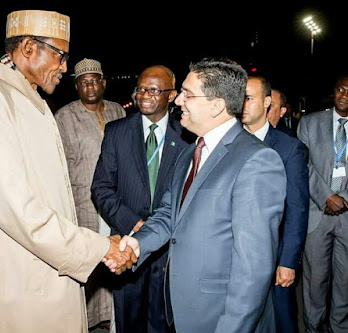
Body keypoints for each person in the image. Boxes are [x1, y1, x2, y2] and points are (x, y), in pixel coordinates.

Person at [0, 10, 135, 333]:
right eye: (60, 55)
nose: (64, 67)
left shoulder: (27, 98)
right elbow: (19, 210)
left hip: (45, 274)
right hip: (21, 289)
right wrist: (100, 247)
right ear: (29, 48)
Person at [113, 57, 287, 333]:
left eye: (188, 94)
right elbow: (169, 216)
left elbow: (253, 271)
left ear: (216, 105)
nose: (178, 100)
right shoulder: (190, 151)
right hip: (186, 310)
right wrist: (137, 245)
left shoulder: (257, 161)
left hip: (223, 318)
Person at [91, 65, 192, 333]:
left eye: (155, 90)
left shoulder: (187, 137)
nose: (145, 95)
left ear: (171, 96)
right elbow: (101, 187)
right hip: (127, 245)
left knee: (163, 323)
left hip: (169, 248)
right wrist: (133, 223)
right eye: (141, 89)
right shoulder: (117, 131)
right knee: (130, 321)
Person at [297, 72, 348, 333]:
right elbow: (302, 166)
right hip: (317, 215)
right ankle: (313, 327)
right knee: (314, 282)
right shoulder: (309, 123)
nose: (344, 96)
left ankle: (342, 329)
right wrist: (326, 197)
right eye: (341, 90)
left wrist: (345, 200)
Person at [55, 58, 126, 331]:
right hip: (83, 203)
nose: (90, 86)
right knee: (89, 261)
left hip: (116, 202)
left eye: (94, 80)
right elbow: (59, 166)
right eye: (83, 82)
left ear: (103, 83)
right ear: (76, 87)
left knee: (116, 256)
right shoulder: (64, 116)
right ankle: (87, 320)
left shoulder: (118, 110)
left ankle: (112, 316)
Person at [242, 75, 309, 332]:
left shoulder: (289, 148)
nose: (243, 104)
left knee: (281, 320)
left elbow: (297, 209)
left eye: (249, 98)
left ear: (267, 102)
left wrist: (288, 261)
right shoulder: (224, 143)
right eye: (240, 98)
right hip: (233, 255)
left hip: (274, 254)